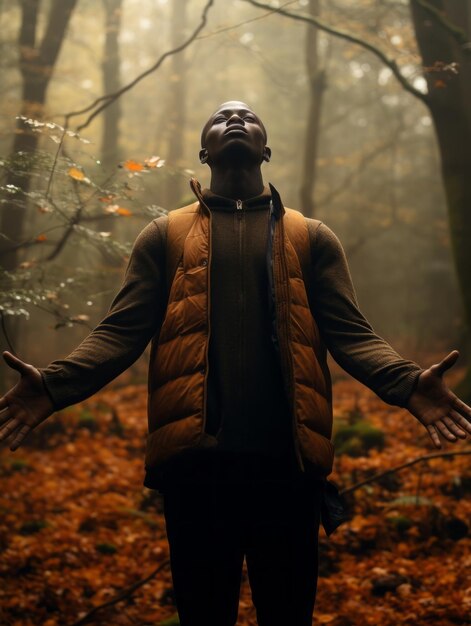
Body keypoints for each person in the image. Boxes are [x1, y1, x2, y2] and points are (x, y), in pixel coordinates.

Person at [1, 100, 470, 626]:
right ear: (204, 151)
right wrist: (54, 387)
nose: (235, 121)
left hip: (287, 469)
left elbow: (350, 333)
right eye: (221, 119)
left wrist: (409, 384)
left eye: (247, 117)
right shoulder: (165, 235)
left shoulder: (310, 236)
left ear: (265, 148)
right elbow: (120, 332)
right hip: (196, 471)